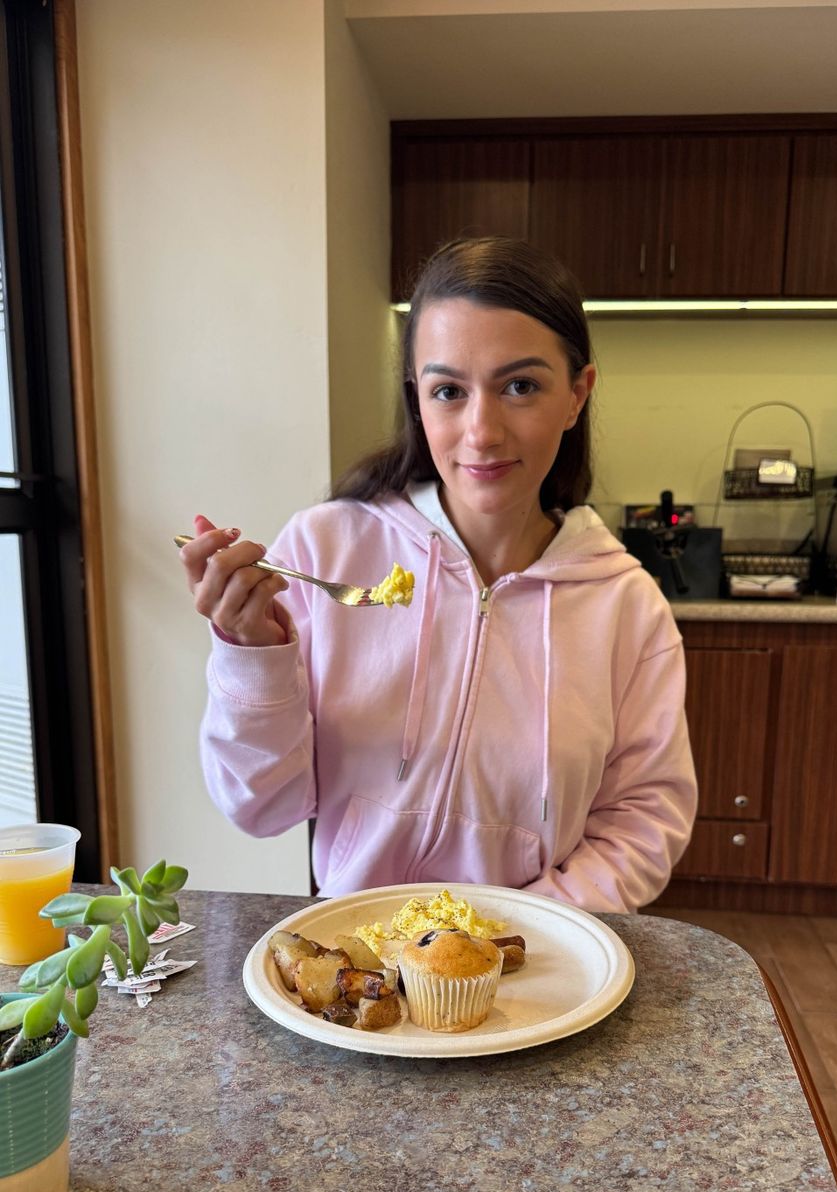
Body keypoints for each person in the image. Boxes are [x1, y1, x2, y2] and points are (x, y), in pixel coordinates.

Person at [179, 236, 697, 911]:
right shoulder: (325, 551)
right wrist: (253, 655)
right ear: (417, 401)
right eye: (448, 391)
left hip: (531, 952)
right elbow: (260, 807)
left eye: (520, 386)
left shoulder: (626, 607)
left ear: (576, 395)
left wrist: (518, 928)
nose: (481, 432)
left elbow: (643, 820)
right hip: (354, 949)